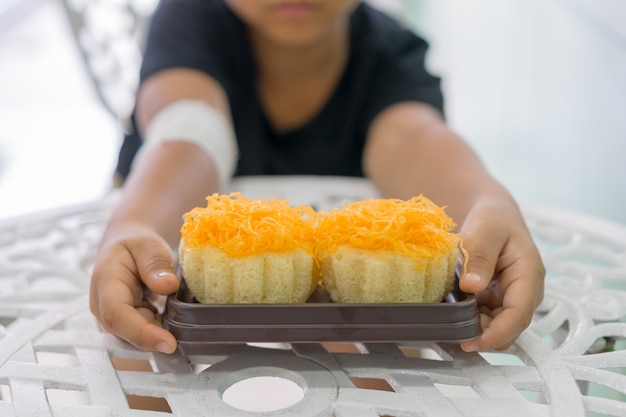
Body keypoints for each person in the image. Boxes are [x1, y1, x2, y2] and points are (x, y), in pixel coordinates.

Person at [90, 0, 545, 355]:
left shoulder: (392, 52)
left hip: (347, 302)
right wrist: (137, 223)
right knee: (150, 350)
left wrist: (486, 201)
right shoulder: (187, 20)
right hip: (179, 259)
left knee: (375, 355)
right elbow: (189, 131)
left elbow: (413, 137)